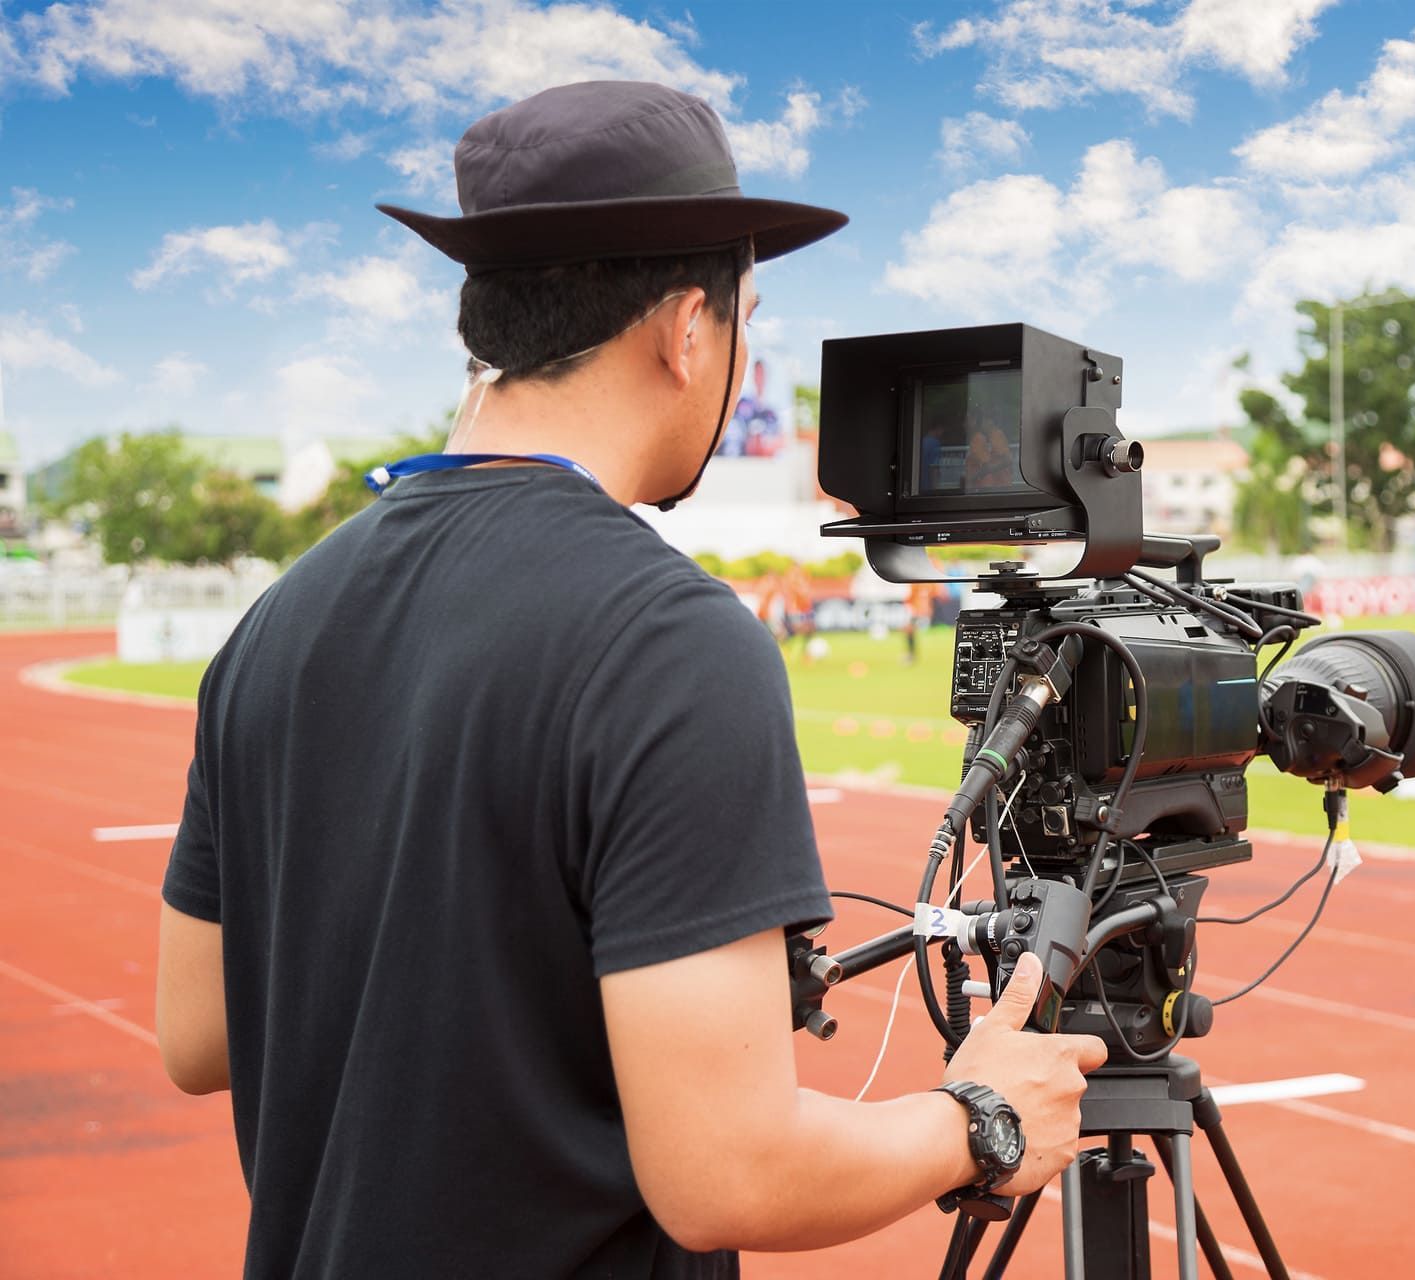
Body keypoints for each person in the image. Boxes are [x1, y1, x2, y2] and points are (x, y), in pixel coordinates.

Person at [155, 81, 1104, 1278]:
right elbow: (728, 1171)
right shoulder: (668, 638)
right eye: (748, 318)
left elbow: (197, 1032)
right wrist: (979, 1117)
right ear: (687, 329)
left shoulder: (274, 622)